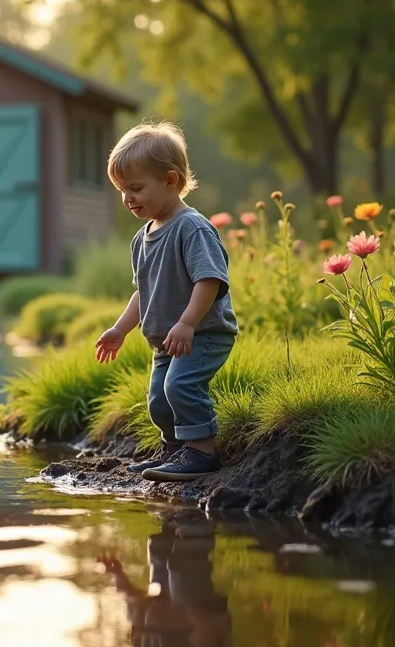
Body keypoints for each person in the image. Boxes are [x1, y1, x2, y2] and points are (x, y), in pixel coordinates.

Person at [93, 122, 237, 482]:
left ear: (171, 180)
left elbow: (209, 280)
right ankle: (174, 450)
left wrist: (187, 323)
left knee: (180, 387)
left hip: (200, 333)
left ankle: (202, 452)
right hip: (165, 340)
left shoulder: (192, 228)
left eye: (136, 188)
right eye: (122, 191)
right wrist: (120, 329)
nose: (128, 198)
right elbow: (143, 291)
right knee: (158, 398)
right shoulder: (141, 238)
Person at [96, 510, 232, 647]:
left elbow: (134, 602)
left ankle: (171, 524)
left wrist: (118, 574)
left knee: (158, 550)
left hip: (167, 602)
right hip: (195, 610)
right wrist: (189, 612)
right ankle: (195, 525)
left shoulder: (143, 640)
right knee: (179, 577)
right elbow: (210, 630)